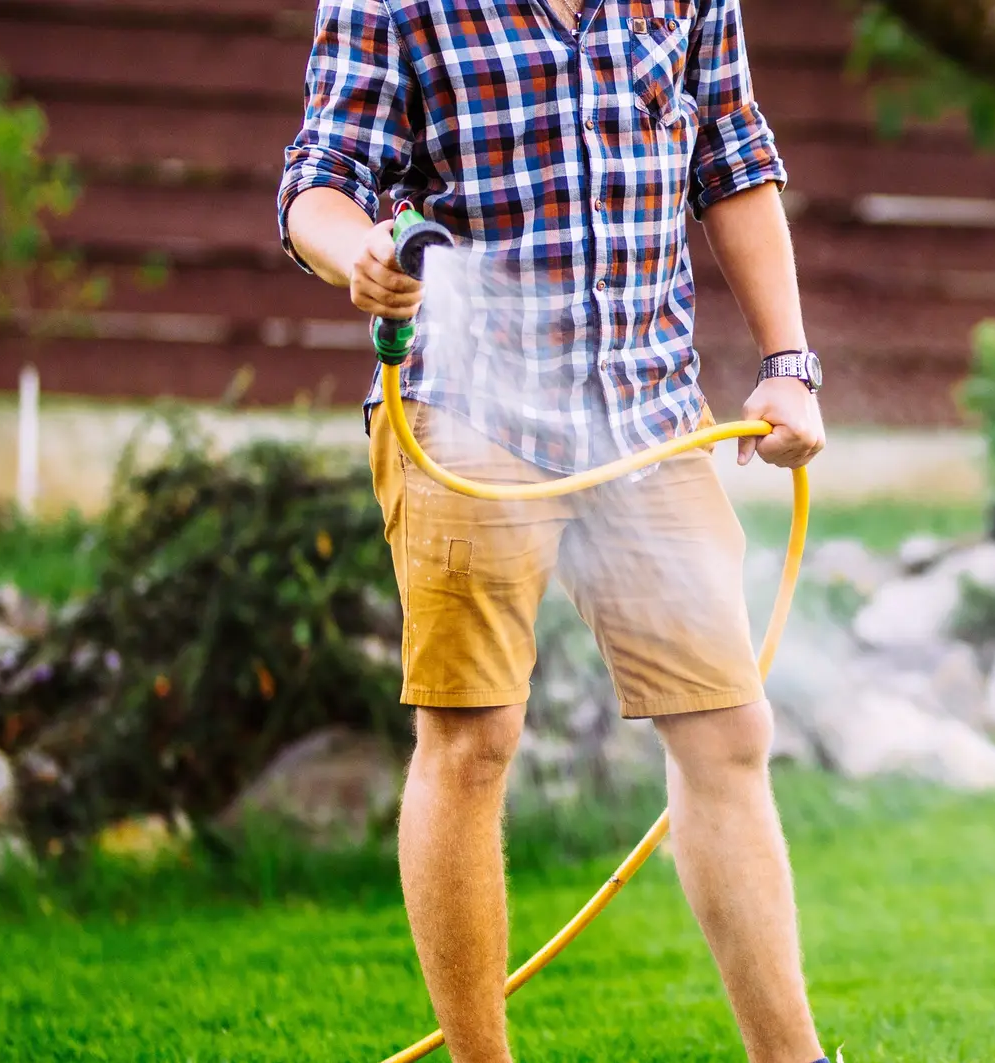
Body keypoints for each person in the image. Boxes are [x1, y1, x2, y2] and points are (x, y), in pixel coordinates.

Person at [276, 2, 829, 1061]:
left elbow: (733, 155)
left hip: (646, 413)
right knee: (473, 738)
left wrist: (787, 364)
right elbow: (319, 178)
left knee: (727, 732)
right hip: (469, 413)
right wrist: (363, 256)